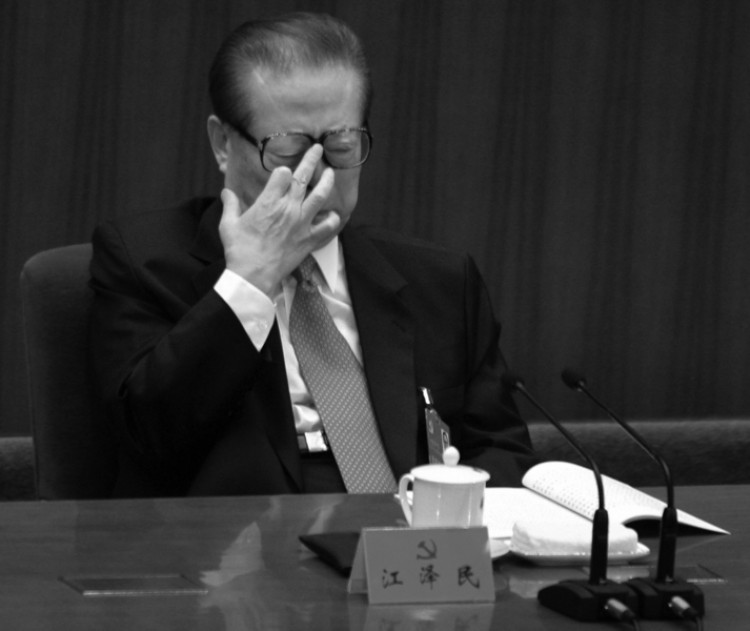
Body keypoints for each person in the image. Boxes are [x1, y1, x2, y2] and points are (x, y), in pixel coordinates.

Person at [88, 11, 538, 498]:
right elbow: (147, 438)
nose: (319, 177)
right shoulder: (143, 262)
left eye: (340, 147)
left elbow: (503, 454)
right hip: (242, 538)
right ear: (222, 144)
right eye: (288, 152)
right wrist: (249, 282)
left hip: (408, 532)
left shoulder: (442, 281)